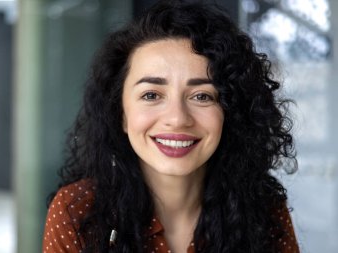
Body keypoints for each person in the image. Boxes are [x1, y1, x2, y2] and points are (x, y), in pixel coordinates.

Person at [43, 0, 300, 252]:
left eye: (202, 96)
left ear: (230, 113)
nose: (177, 118)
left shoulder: (265, 210)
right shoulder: (77, 211)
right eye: (152, 95)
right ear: (120, 113)